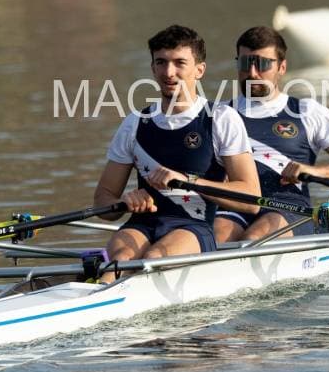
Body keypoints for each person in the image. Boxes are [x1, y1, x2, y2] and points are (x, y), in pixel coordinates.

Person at [93, 25, 260, 264]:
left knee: (154, 258)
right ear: (153, 68)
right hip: (141, 225)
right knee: (119, 260)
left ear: (199, 70)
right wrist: (123, 204)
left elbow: (252, 199)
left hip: (193, 228)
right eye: (161, 62)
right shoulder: (134, 123)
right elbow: (103, 199)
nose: (169, 72)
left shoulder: (221, 118)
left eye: (179, 63)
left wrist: (188, 181)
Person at [212, 26, 329, 244]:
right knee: (218, 236)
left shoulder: (306, 112)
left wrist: (314, 172)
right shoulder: (218, 115)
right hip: (235, 205)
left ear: (282, 67)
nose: (252, 73)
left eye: (262, 64)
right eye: (245, 63)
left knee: (254, 239)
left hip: (289, 208)